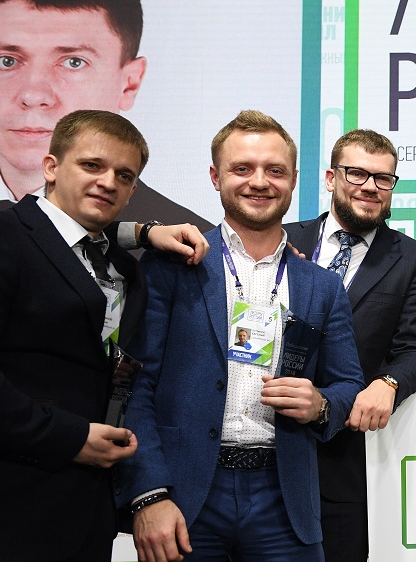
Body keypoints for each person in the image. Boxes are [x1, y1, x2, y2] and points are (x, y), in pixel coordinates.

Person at [120, 110, 365, 561]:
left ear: (294, 181)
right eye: (242, 168)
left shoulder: (323, 286)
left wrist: (321, 405)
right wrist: (149, 493)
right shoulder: (171, 265)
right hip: (185, 495)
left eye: (275, 170)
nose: (260, 182)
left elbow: (348, 383)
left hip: (285, 500)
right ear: (216, 177)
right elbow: (136, 386)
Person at [0, 109, 147, 561]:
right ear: (51, 167)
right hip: (13, 498)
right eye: (91, 165)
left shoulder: (125, 268)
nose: (108, 182)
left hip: (88, 510)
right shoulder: (6, 236)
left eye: (124, 175)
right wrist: (69, 437)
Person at [285, 129, 416, 561]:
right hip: (266, 442)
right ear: (331, 178)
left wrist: (389, 382)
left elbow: (415, 351)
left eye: (383, 178)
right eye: (357, 173)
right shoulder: (282, 240)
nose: (370, 186)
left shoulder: (414, 261)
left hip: (344, 455)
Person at [0, 0, 211, 229]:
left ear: (130, 82)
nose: (33, 96)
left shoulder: (185, 241)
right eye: (7, 61)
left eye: (74, 62)